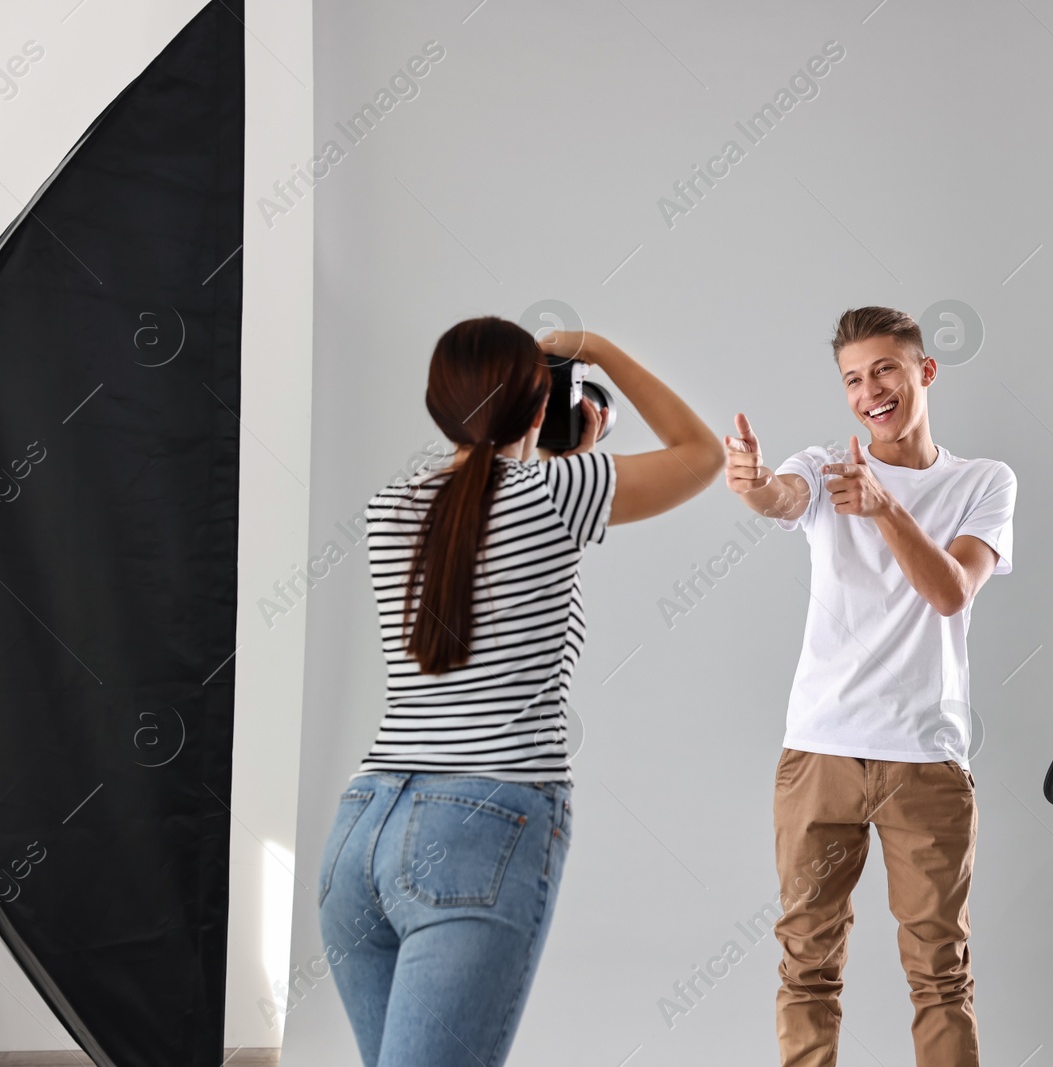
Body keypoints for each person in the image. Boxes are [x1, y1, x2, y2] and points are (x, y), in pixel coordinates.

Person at [317, 318, 721, 1066]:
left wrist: (560, 458)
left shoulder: (387, 508)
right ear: (540, 410)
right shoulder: (559, 492)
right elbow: (703, 455)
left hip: (361, 829)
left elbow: (486, 523)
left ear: (438, 405)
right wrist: (595, 347)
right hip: (482, 819)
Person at [723, 306, 1016, 1067]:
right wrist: (754, 485)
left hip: (926, 761)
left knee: (940, 975)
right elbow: (783, 498)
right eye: (852, 378)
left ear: (924, 370)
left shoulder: (983, 482)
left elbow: (951, 591)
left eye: (884, 369)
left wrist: (885, 507)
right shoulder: (826, 464)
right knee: (807, 967)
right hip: (819, 754)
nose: (869, 391)